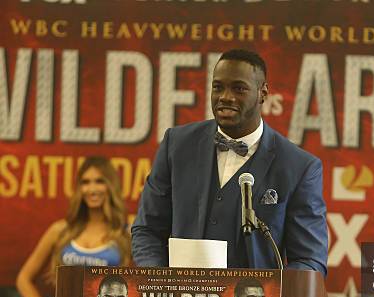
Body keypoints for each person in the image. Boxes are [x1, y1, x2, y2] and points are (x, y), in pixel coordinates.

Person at [131, 49, 328, 274]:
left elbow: (309, 260)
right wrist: (160, 283)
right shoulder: (176, 145)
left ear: (263, 92)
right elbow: (147, 230)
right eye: (218, 87)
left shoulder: (299, 167)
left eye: (239, 88)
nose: (225, 96)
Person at [16, 156, 131, 297]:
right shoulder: (61, 230)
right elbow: (23, 279)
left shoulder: (126, 230)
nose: (92, 189)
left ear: (111, 186)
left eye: (100, 181)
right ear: (79, 188)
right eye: (85, 182)